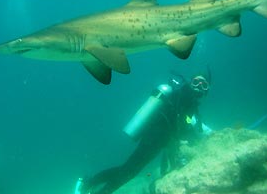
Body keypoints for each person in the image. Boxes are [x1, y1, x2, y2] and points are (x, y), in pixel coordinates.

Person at [77, 74, 212, 194]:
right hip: (154, 139)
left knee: (128, 171)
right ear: (190, 83)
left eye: (203, 84)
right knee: (128, 171)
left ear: (207, 89)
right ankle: (89, 184)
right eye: (196, 82)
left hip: (157, 140)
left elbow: (185, 125)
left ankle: (93, 187)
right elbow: (181, 124)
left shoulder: (189, 103)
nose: (199, 86)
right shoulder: (183, 97)